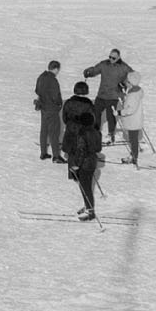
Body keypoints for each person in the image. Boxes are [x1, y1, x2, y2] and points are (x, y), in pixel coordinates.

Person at [61, 82, 104, 218]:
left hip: (72, 134)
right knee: (81, 158)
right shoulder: (88, 105)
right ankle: (87, 203)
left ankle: (88, 205)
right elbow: (94, 120)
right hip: (85, 139)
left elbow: (64, 118)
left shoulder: (68, 103)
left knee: (76, 158)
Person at [82, 48, 131, 139]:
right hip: (102, 94)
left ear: (118, 57)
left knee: (110, 116)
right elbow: (95, 70)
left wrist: (124, 84)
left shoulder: (123, 67)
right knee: (95, 113)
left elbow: (132, 76)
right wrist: (88, 72)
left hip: (113, 96)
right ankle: (95, 131)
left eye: (113, 58)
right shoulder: (104, 64)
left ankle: (111, 133)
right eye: (110, 57)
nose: (111, 59)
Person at [35, 60, 65, 162]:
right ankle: (56, 156)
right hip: (52, 109)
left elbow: (37, 90)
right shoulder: (53, 80)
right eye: (58, 69)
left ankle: (43, 153)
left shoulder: (41, 77)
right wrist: (59, 104)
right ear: (56, 69)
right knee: (54, 132)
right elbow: (56, 96)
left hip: (43, 107)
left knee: (44, 130)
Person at [116, 77, 148, 164]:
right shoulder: (135, 90)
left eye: (127, 81)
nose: (125, 83)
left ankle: (134, 157)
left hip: (133, 120)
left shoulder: (133, 95)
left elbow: (130, 109)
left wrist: (119, 112)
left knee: (133, 139)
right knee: (133, 138)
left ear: (131, 83)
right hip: (135, 119)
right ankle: (134, 154)